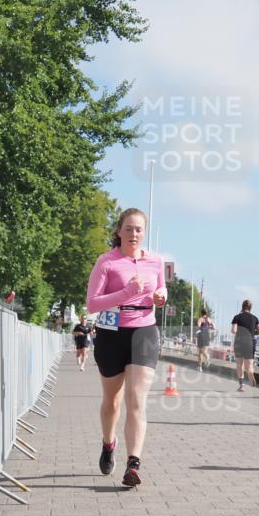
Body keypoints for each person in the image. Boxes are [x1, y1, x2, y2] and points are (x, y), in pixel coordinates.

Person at [86, 208, 167, 487]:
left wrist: (160, 297)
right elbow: (92, 303)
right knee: (113, 401)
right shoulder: (107, 262)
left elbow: (162, 289)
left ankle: (133, 464)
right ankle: (109, 443)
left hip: (144, 330)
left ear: (144, 233)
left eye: (139, 230)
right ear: (119, 230)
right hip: (111, 333)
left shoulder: (155, 261)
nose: (134, 234)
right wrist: (126, 293)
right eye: (129, 228)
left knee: (136, 399)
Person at [230, 300, 259, 391]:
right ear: (250, 308)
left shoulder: (237, 317)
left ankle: (241, 385)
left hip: (239, 342)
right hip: (250, 342)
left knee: (239, 364)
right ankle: (250, 373)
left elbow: (234, 331)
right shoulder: (255, 318)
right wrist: (252, 332)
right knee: (249, 365)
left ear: (242, 306)